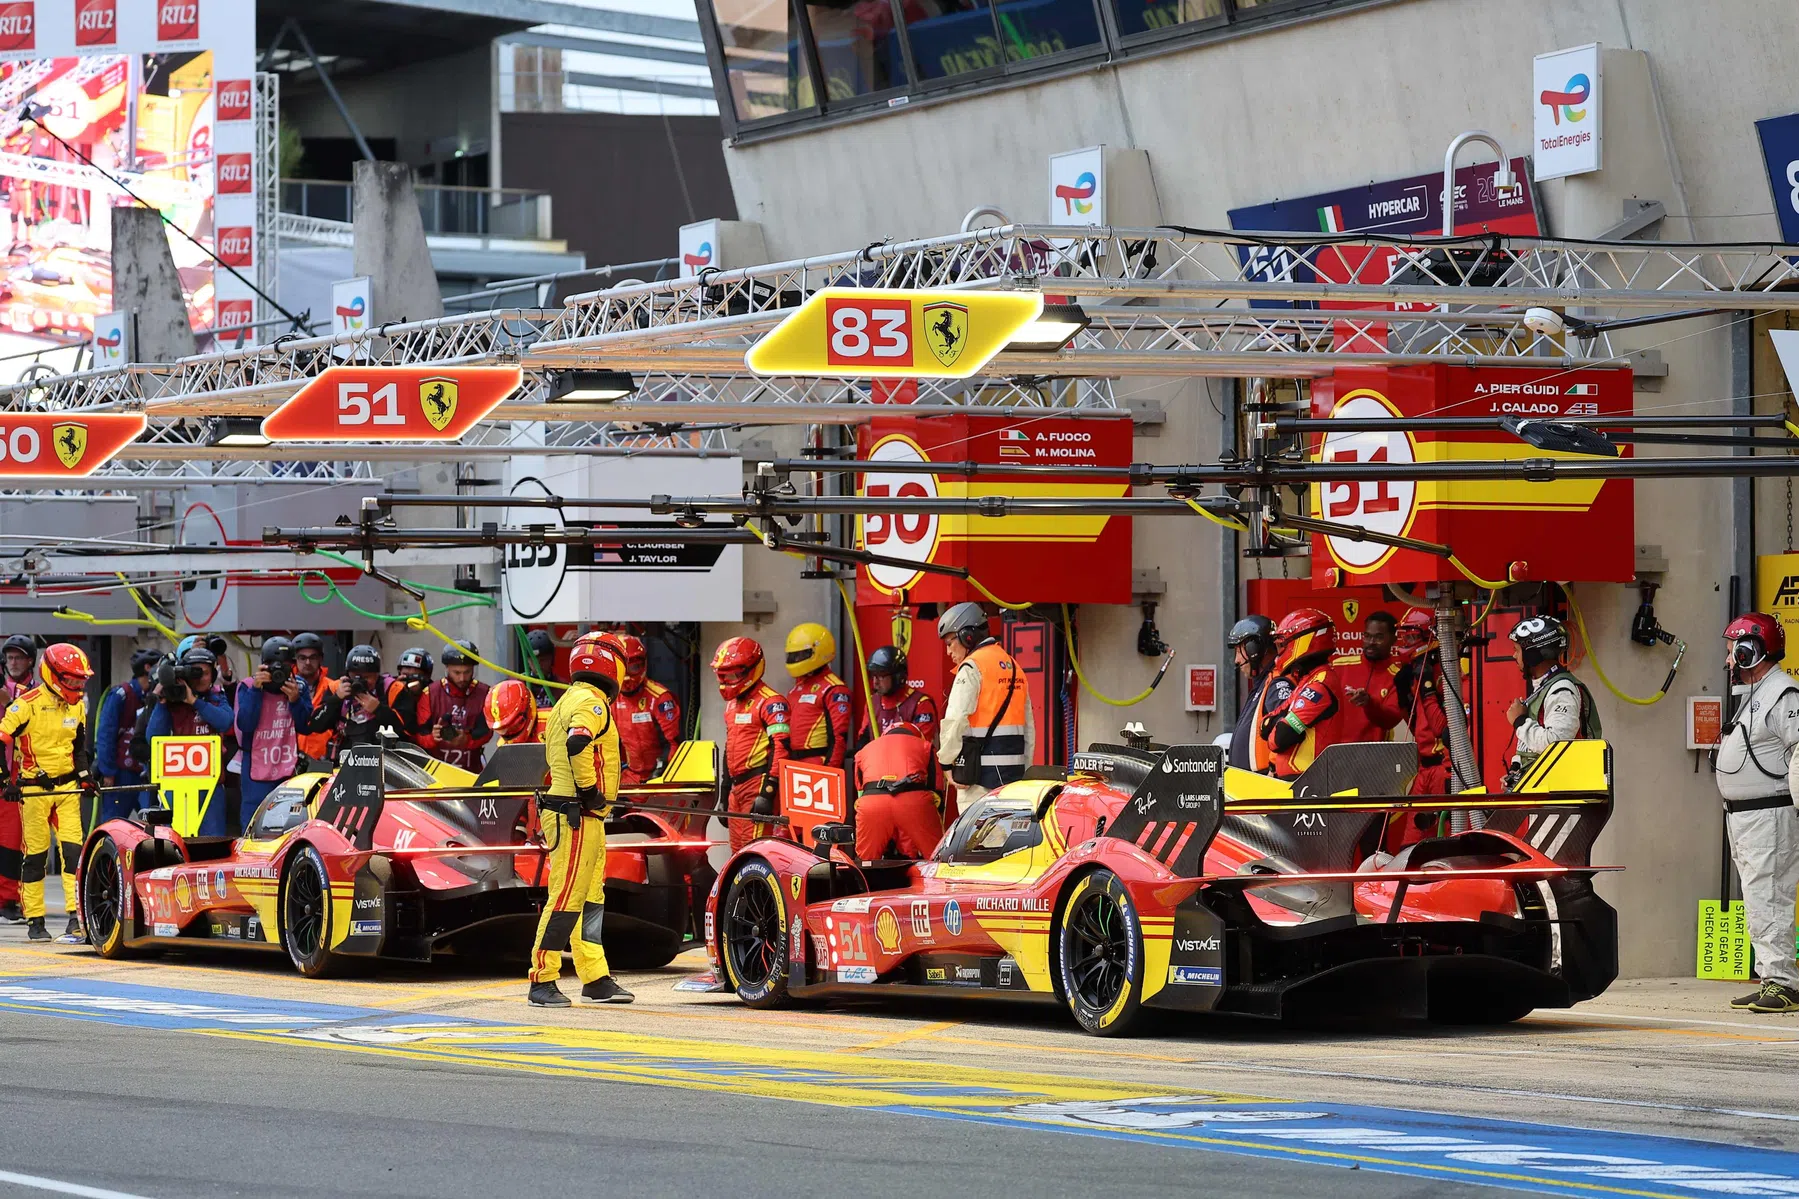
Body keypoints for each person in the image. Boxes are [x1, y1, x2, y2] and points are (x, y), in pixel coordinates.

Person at [528, 638, 634, 1007]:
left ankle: (595, 976)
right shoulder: (592, 702)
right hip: (575, 814)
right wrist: (589, 790)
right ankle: (542, 979)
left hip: (583, 817)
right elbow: (578, 743)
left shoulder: (568, 699)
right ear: (613, 666)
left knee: (591, 899)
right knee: (566, 896)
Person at [1710, 613, 1799, 1013]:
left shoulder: (1783, 694)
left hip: (1770, 815)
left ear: (1751, 652)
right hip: (1746, 817)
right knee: (1757, 898)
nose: (1729, 660)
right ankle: (1771, 977)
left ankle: (1784, 984)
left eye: (1733, 652)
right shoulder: (1755, 695)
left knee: (1770, 896)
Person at [0, 643, 93, 941]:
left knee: (73, 853)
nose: (78, 685)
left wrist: (86, 776)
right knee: (36, 856)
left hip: (67, 788)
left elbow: (79, 745)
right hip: (33, 791)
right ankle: (35, 920)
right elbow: (1, 740)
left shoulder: (78, 705)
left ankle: (74, 917)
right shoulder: (25, 705)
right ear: (52, 674)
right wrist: (5, 782)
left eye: (81, 680)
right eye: (72, 679)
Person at [935, 602, 1033, 807]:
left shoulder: (972, 667)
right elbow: (1029, 730)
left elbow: (955, 720)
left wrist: (946, 760)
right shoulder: (1014, 667)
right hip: (1014, 782)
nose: (948, 652)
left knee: (975, 839)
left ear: (966, 635)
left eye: (950, 642)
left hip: (979, 782)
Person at [145, 645, 237, 838]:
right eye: (193, 672)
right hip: (178, 785)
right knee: (175, 839)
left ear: (213, 674)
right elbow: (153, 738)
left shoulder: (216, 697)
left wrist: (195, 702)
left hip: (211, 785)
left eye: (203, 673)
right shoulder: (172, 700)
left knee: (213, 840)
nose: (199, 678)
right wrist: (162, 701)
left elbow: (225, 721)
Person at [712, 637, 791, 852]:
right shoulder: (731, 705)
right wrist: (724, 791)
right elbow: (729, 749)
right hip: (735, 790)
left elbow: (781, 748)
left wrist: (768, 792)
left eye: (732, 674)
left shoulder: (772, 703)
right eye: (723, 675)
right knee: (736, 852)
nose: (727, 680)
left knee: (754, 851)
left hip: (757, 785)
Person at [1504, 614, 1601, 785]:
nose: (1514, 656)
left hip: (1564, 794)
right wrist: (1516, 770)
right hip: (1547, 791)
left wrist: (1520, 721)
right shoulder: (1545, 687)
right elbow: (1531, 747)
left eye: (1517, 650)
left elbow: (1556, 745)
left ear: (1533, 655)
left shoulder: (1562, 690)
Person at [1384, 609, 1452, 852]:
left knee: (1440, 846)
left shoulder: (1446, 674)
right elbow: (1414, 725)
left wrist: (1427, 690)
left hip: (1444, 769)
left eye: (1411, 638)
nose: (1405, 644)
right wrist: (1405, 696)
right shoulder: (1414, 674)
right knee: (1409, 846)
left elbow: (1443, 729)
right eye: (1403, 638)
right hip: (1423, 769)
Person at [234, 637, 312, 830]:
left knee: (290, 824)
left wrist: (295, 700)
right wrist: (256, 690)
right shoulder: (248, 685)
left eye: (285, 666)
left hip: (288, 769)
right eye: (273, 666)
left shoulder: (298, 685)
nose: (278, 671)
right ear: (263, 666)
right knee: (253, 823)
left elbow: (306, 726)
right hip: (256, 769)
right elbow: (245, 724)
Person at [1260, 608, 1345, 780]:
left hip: (1310, 783)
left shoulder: (1320, 685)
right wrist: (1277, 721)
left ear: (1305, 640)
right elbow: (1264, 726)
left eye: (1282, 645)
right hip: (1300, 783)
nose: (1279, 651)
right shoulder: (1308, 681)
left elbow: (1279, 738)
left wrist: (1278, 722)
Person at [852, 721, 945, 861]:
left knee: (866, 862)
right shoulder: (925, 746)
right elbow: (936, 788)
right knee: (938, 858)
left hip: (872, 803)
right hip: (913, 801)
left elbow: (860, 789)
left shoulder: (863, 751)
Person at [93, 647, 160, 824]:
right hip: (121, 773)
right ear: (148, 668)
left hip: (147, 773)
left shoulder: (157, 696)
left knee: (154, 822)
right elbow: (105, 735)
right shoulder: (121, 695)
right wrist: (107, 771)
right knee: (114, 823)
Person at [610, 633, 681, 786]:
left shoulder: (660, 697)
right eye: (624, 669)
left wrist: (660, 771)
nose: (629, 676)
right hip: (631, 776)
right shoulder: (611, 699)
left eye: (634, 667)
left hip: (661, 776)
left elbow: (673, 743)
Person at [0, 633, 37, 921]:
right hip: (5, 771)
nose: (13, 662)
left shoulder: (41, 691)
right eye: (9, 657)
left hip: (25, 775)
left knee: (16, 842)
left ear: (30, 661)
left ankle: (10, 899)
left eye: (18, 657)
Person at [784, 622, 852, 771]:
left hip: (818, 765)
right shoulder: (796, 688)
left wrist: (829, 772)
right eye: (793, 655)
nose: (796, 659)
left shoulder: (834, 689)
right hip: (792, 765)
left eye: (801, 655)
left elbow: (838, 738)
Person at [309, 644, 403, 752]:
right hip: (345, 756)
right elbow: (315, 725)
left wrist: (378, 709)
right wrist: (335, 699)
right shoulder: (337, 687)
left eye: (366, 677)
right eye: (355, 677)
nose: (359, 681)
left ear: (377, 674)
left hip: (383, 756)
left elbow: (407, 731)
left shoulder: (392, 688)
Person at [1226, 616, 1286, 771]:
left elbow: (1284, 735)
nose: (1237, 660)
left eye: (1239, 651)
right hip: (1253, 784)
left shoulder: (1277, 684)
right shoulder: (1265, 683)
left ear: (1255, 650)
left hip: (1263, 786)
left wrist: (1273, 770)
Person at [1337, 611, 1406, 745]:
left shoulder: (1399, 676)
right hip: (1334, 752)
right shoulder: (1339, 666)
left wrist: (1369, 703)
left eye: (1379, 637)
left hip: (1376, 756)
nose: (1371, 642)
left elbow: (1391, 719)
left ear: (1393, 639)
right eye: (1367, 636)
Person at [425, 641, 491, 771]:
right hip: (435, 769)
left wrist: (467, 740)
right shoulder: (429, 693)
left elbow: (488, 731)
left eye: (467, 672)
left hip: (473, 768)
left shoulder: (486, 693)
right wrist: (433, 737)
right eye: (456, 672)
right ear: (447, 668)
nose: (462, 678)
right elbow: (418, 733)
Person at [862, 645, 939, 744]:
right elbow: (864, 740)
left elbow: (922, 746)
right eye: (873, 676)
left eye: (881, 676)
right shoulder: (872, 702)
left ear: (898, 677)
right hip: (878, 759)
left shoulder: (920, 704)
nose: (875, 682)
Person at [291, 633, 335, 766]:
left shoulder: (333, 687)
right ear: (295, 659)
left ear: (321, 659)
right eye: (302, 658)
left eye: (313, 657)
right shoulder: (285, 686)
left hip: (324, 761)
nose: (308, 662)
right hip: (291, 761)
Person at [392, 648, 436, 747]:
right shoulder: (391, 689)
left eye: (415, 676)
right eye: (406, 675)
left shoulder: (434, 693)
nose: (409, 681)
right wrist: (400, 693)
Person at [486, 679, 540, 747]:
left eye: (513, 727)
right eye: (502, 730)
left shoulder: (552, 722)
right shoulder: (503, 746)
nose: (508, 734)